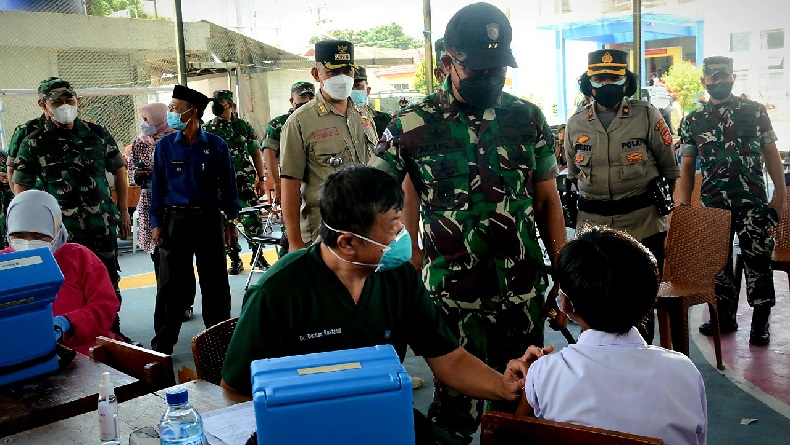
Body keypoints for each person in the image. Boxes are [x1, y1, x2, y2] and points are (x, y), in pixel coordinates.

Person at [369, 3, 567, 442]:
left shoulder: (527, 118)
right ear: (448, 62)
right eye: (479, 70)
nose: (490, 79)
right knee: (453, 415)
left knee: (521, 407)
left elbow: (548, 201)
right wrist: (408, 267)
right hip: (453, 301)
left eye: (499, 69)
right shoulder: (411, 125)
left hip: (523, 292)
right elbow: (377, 203)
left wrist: (564, 270)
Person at [220, 165, 531, 443]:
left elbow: (448, 358)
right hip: (308, 428)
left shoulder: (398, 276)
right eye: (393, 226)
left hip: (384, 415)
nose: (403, 235)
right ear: (347, 243)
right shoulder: (279, 292)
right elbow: (234, 390)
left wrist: (502, 386)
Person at [517, 226, 707, 445]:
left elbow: (514, 434)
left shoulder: (544, 373)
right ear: (649, 300)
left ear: (566, 304)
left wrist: (532, 379)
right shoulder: (685, 372)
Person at [564, 49, 679, 343]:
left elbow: (669, 169)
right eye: (600, 78)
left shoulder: (647, 115)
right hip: (593, 229)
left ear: (625, 81)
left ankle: (641, 363)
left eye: (613, 77)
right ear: (589, 83)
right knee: (594, 302)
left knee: (639, 302)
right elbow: (574, 177)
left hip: (642, 224)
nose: (607, 84)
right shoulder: (575, 123)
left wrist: (665, 214)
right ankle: (600, 369)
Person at [12, 77, 133, 340]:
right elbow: (20, 185)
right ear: (43, 105)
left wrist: (123, 211)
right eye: (57, 101)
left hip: (100, 225)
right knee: (64, 288)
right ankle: (63, 336)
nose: (65, 105)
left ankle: (113, 337)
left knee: (109, 284)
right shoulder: (34, 141)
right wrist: (28, 228)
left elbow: (119, 171)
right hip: (61, 234)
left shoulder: (96, 133)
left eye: (70, 100)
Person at [678, 56, 787, 346]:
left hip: (752, 202)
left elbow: (771, 153)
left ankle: (760, 322)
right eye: (713, 77)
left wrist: (780, 192)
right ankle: (723, 316)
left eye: (724, 76)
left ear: (733, 78)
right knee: (718, 264)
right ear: (704, 81)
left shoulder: (754, 111)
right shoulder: (693, 119)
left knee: (758, 260)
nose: (719, 81)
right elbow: (687, 167)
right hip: (713, 204)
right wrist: (684, 205)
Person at [149, 84, 240, 354]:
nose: (171, 114)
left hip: (209, 220)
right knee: (171, 284)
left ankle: (219, 341)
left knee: (215, 282)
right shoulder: (165, 146)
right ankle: (162, 345)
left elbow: (229, 186)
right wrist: (156, 223)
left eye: (175, 109)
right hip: (175, 221)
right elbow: (157, 188)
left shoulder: (216, 146)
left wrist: (231, 221)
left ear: (192, 113)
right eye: (170, 108)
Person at [279, 40, 379, 251]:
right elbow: (290, 185)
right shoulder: (300, 122)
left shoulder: (364, 114)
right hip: (323, 235)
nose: (342, 78)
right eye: (333, 72)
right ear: (316, 74)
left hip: (366, 230)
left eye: (347, 71)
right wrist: (295, 242)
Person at [1, 190, 123, 355]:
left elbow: (105, 307)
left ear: (56, 229)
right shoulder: (4, 264)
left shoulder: (80, 258)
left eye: (38, 235)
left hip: (83, 352)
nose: (28, 242)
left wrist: (67, 323)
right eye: (18, 235)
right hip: (19, 354)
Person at [203, 90, 266, 275]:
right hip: (219, 184)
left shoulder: (243, 127)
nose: (217, 106)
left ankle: (258, 256)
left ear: (230, 104)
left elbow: (256, 152)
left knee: (252, 219)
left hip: (244, 182)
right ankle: (235, 259)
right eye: (215, 102)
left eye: (221, 102)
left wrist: (261, 179)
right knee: (224, 222)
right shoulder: (207, 130)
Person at [127, 103, 176, 281]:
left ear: (159, 119)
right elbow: (132, 177)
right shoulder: (139, 144)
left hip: (172, 203)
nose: (144, 123)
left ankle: (184, 303)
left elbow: (181, 172)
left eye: (147, 119)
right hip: (148, 203)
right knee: (156, 254)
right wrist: (138, 174)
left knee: (176, 255)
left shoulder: (176, 140)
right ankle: (164, 299)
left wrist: (157, 172)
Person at [262, 81, 316, 207]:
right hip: (292, 181)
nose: (307, 101)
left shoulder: (319, 122)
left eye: (311, 97)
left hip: (318, 183)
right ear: (292, 100)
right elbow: (268, 153)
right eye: (302, 97)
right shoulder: (279, 124)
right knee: (292, 220)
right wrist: (277, 183)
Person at [5, 78, 52, 194]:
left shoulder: (82, 131)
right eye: (56, 100)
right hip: (38, 198)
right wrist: (21, 202)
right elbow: (11, 170)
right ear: (43, 104)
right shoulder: (25, 131)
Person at [350, 66, 392, 139]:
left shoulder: (385, 120)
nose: (352, 91)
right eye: (348, 87)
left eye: (358, 86)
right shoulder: (336, 121)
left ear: (368, 90)